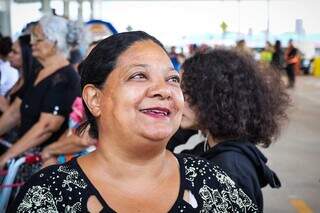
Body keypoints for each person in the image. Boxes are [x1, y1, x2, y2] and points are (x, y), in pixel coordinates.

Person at [10, 31, 258, 212]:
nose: (164, 90)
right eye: (139, 75)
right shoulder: (50, 195)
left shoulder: (212, 181)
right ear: (95, 99)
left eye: (172, 79)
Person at [171, 49, 290, 212]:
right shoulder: (213, 149)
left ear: (215, 99)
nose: (178, 100)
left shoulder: (229, 168)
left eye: (187, 93)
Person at [0, 15, 80, 168]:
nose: (31, 43)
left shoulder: (65, 77)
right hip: (23, 156)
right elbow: (13, 113)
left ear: (55, 42)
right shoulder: (39, 72)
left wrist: (6, 156)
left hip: (44, 163)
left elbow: (47, 126)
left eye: (38, 39)